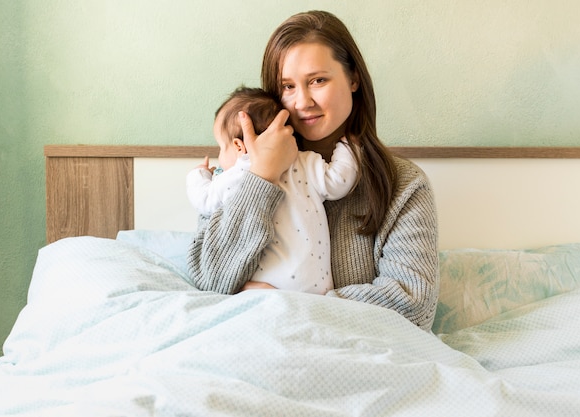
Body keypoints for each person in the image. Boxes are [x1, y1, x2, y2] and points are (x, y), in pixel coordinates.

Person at [187, 10, 439, 331]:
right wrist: (261, 178)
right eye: (287, 87)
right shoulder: (234, 177)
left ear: (353, 79)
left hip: (362, 356)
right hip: (262, 346)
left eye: (318, 80)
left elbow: (413, 306)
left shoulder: (405, 184)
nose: (302, 101)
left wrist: (289, 303)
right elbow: (211, 283)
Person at [186, 86, 358, 294]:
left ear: (239, 146)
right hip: (317, 291)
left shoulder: (237, 173)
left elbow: (204, 200)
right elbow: (339, 181)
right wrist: (349, 146)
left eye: (221, 147)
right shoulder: (306, 162)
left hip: (263, 290)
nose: (220, 156)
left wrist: (199, 174)